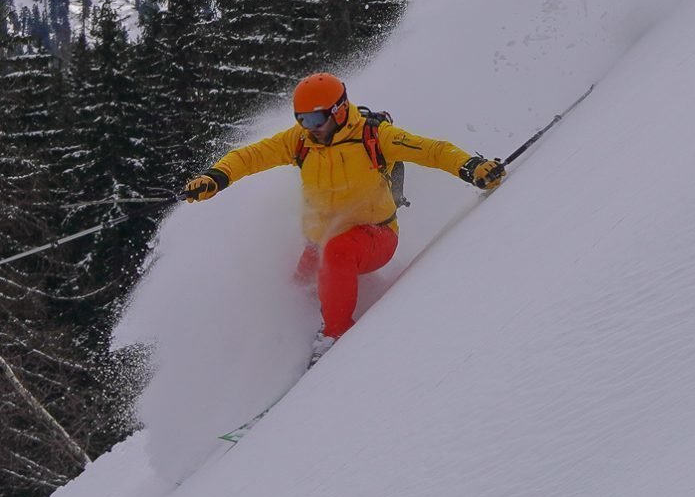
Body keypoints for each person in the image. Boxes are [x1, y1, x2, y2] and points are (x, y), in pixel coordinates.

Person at [184, 72, 505, 366]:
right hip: (320, 242)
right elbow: (250, 156)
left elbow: (433, 150)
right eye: (302, 119)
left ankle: (334, 338)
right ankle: (331, 319)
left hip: (375, 235)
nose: (310, 127)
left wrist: (472, 167)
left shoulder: (375, 136)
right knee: (299, 290)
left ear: (338, 111)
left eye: (316, 119)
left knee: (337, 253)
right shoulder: (299, 141)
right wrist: (216, 178)